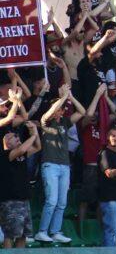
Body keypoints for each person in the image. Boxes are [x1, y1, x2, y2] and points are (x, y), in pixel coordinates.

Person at [36, 85, 83, 244]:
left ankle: (55, 231)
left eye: (60, 109)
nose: (58, 111)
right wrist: (63, 97)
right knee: (52, 200)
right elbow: (49, 113)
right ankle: (42, 231)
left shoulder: (65, 122)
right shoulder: (46, 121)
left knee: (62, 201)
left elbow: (82, 112)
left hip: (64, 166)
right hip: (50, 165)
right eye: (56, 108)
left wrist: (71, 97)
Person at [0, 124, 41, 248]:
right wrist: (33, 135)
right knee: (10, 234)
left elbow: (38, 147)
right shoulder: (5, 155)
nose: (17, 137)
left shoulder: (21, 155)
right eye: (14, 137)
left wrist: (35, 131)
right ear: (7, 142)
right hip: (10, 201)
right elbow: (22, 149)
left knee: (23, 234)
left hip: (23, 199)